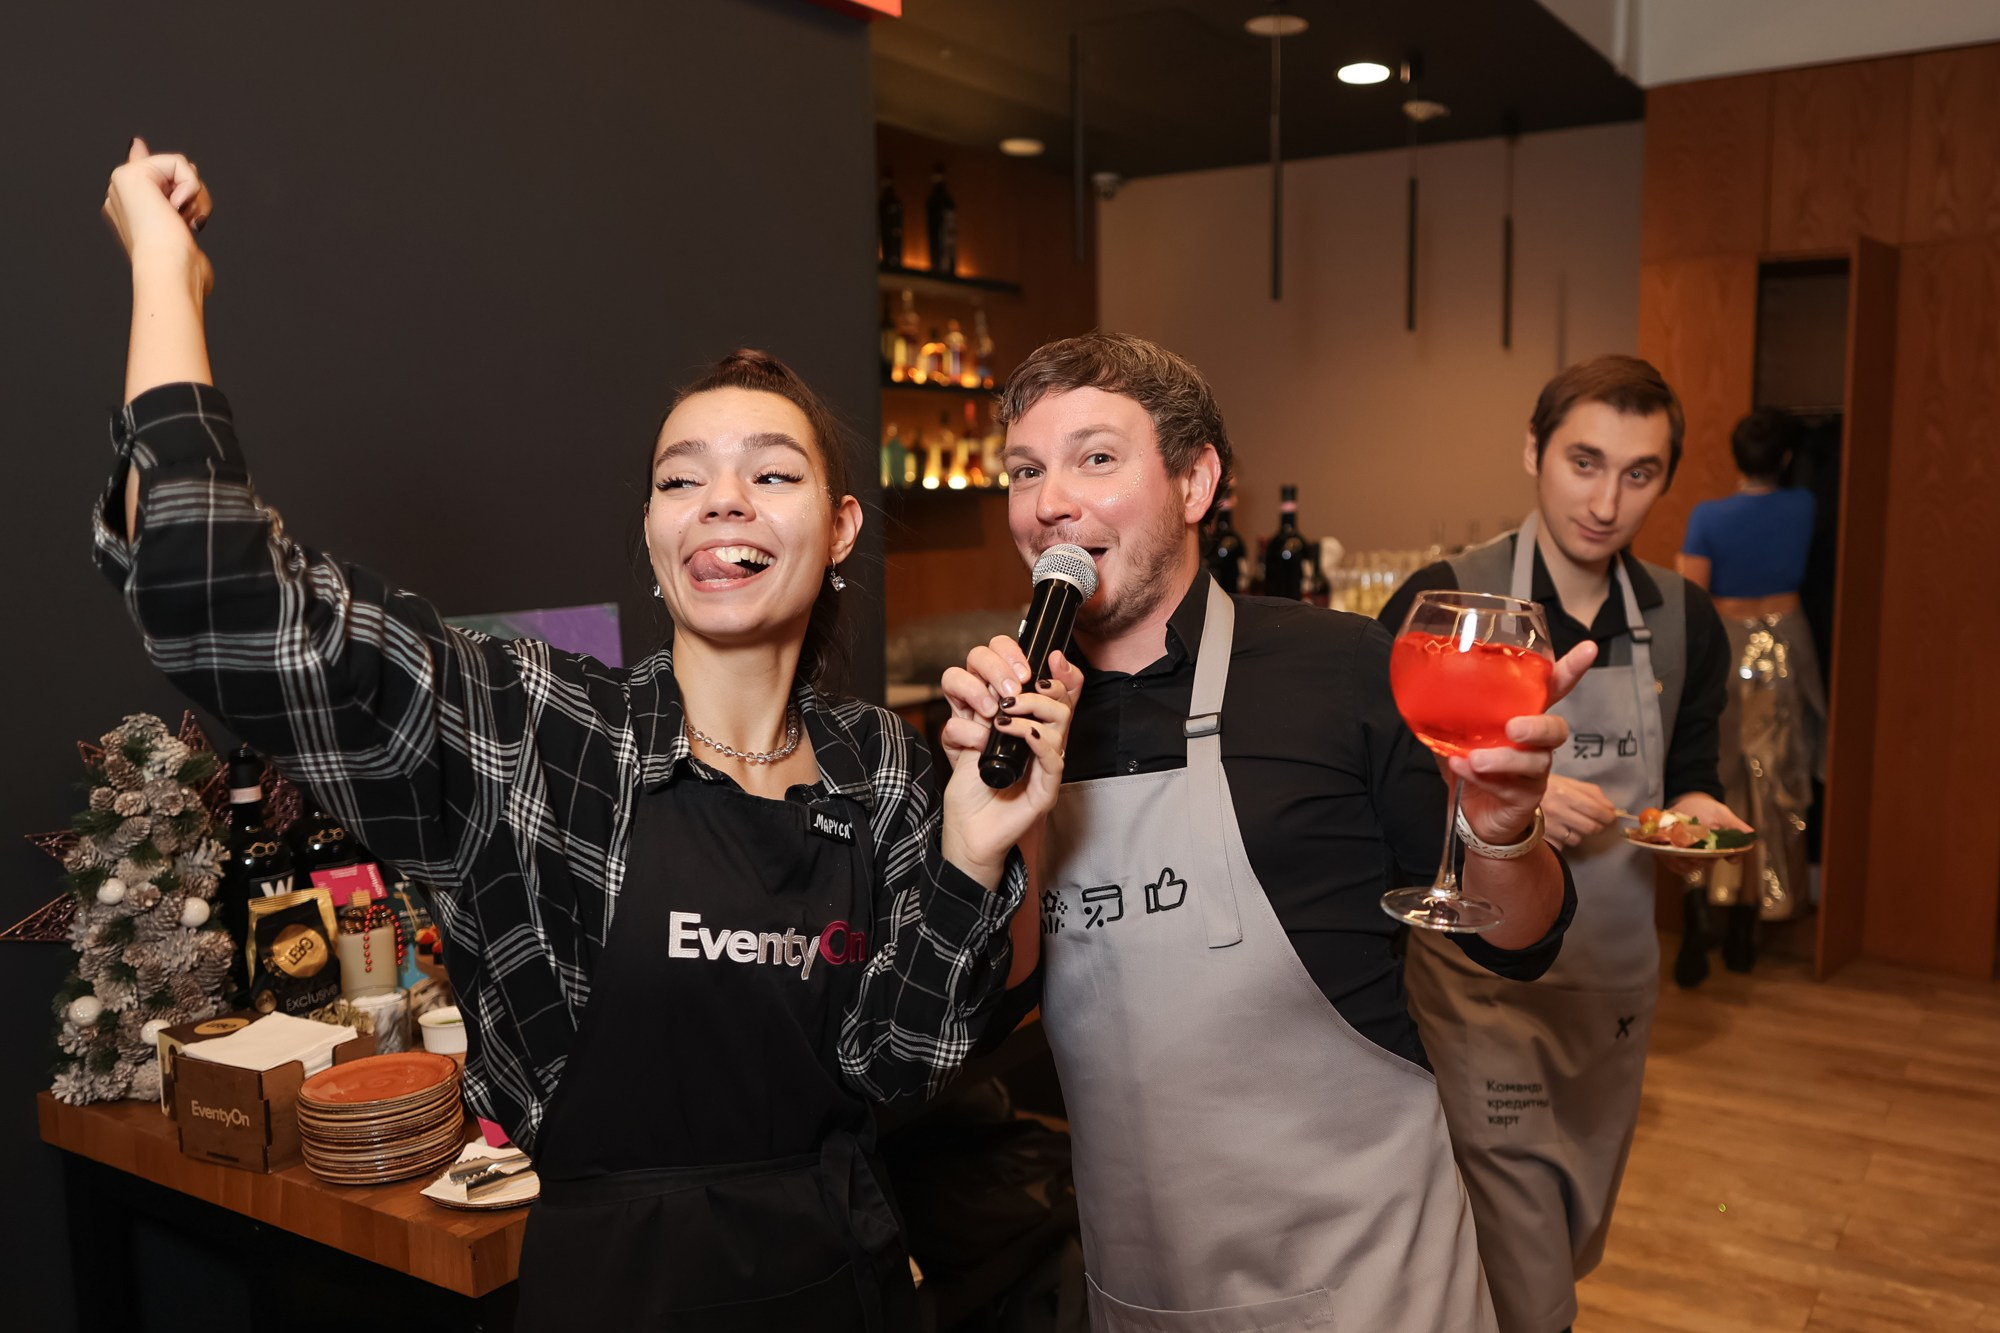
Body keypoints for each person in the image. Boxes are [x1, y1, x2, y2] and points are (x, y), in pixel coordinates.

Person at [94, 140, 1078, 1331]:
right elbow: (212, 592)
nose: (723, 499)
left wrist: (975, 848)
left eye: (771, 474)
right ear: (657, 538)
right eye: (680, 480)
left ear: (840, 529)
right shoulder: (534, 732)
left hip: (846, 1289)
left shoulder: (877, 767)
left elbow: (897, 1066)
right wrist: (164, 272)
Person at [947, 332, 1589, 1333]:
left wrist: (1503, 836)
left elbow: (1515, 945)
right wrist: (1005, 829)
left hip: (1373, 1278)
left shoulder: (1340, 670)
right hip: (1144, 1281)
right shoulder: (1010, 720)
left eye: (1095, 458)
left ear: (1196, 481)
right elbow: (998, 1004)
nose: (1048, 501)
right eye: (1025, 470)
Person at [1380, 354, 1751, 1333]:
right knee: (1528, 1271)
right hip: (1479, 987)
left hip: (1617, 983)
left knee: (1575, 1227)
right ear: (1531, 452)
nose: (1604, 500)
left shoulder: (1681, 618)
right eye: (1582, 462)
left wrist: (1698, 809)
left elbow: (1692, 766)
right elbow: (1392, 782)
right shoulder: (1449, 599)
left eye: (1638, 472)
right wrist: (1517, 805)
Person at [1676, 408, 1826, 970]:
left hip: (1724, 645)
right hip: (1784, 648)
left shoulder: (1708, 516)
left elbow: (1693, 598)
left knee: (1707, 776)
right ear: (1785, 459)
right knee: (1770, 779)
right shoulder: (1803, 506)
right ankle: (1748, 923)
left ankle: (1698, 923)